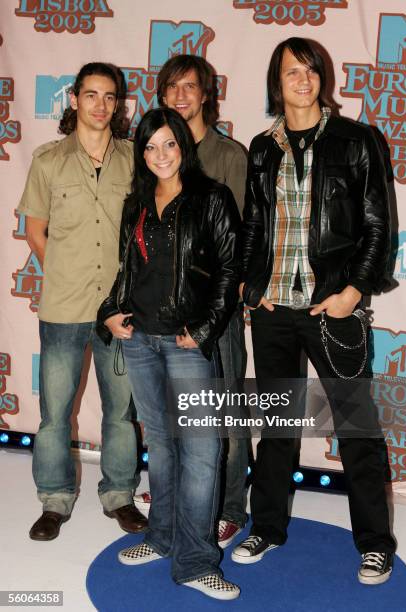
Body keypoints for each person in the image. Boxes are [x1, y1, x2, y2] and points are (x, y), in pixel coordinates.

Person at [232, 38, 396, 585]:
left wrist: (353, 291)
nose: (302, 80)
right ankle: (267, 527)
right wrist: (250, 287)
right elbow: (253, 226)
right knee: (276, 427)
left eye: (310, 70)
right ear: (275, 84)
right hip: (275, 307)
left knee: (356, 427)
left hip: (333, 306)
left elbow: (378, 226)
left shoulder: (356, 140)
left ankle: (375, 544)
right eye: (290, 72)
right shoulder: (262, 147)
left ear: (322, 78)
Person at [97, 107, 241, 600]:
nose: (160, 155)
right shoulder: (136, 200)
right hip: (140, 341)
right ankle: (160, 538)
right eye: (150, 147)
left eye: (169, 144)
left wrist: (203, 331)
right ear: (142, 153)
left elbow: (228, 272)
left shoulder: (211, 198)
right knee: (160, 446)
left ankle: (197, 561)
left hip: (186, 344)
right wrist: (110, 311)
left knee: (201, 452)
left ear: (184, 145)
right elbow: (127, 269)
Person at [18, 62, 147, 541]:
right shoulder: (48, 160)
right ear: (73, 100)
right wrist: (68, 271)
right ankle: (54, 500)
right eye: (90, 95)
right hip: (64, 309)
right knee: (55, 413)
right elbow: (35, 231)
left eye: (109, 97)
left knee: (120, 412)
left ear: (118, 105)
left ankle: (119, 496)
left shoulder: (135, 159)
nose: (100, 105)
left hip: (120, 310)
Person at [134, 54, 249, 550]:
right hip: (166, 320)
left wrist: (218, 311)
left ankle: (228, 507)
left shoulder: (228, 155)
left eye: (190, 86)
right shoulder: (159, 152)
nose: (180, 95)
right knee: (172, 424)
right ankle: (181, 503)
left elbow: (236, 246)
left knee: (222, 413)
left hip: (214, 315)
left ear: (207, 94)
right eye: (171, 87)